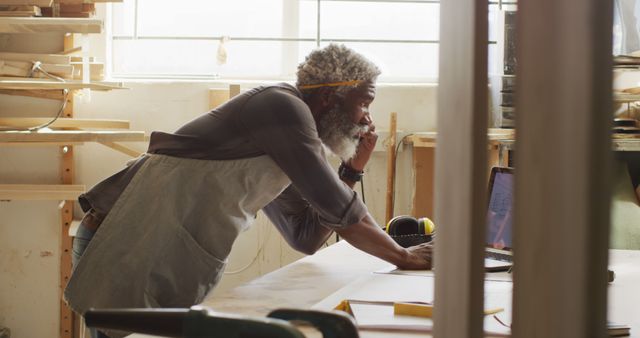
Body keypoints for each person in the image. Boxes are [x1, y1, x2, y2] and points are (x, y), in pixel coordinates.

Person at [64, 44, 433, 337]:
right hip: (122, 239)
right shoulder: (280, 106)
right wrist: (405, 257)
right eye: (364, 102)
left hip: (152, 248)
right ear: (330, 97)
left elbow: (304, 235)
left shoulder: (286, 137)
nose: (368, 117)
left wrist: (352, 169)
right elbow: (339, 209)